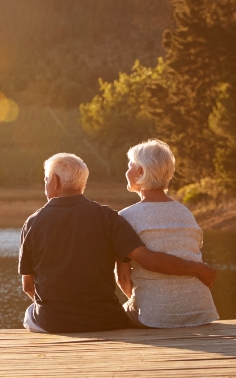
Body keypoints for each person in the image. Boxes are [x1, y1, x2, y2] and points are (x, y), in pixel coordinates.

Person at [20, 153, 216, 334]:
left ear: (55, 182)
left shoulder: (32, 222)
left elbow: (28, 286)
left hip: (53, 322)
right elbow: (145, 259)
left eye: (46, 180)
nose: (46, 184)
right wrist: (196, 268)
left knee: (30, 313)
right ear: (82, 183)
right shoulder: (108, 217)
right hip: (105, 320)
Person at [117, 140, 219, 328]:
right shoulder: (185, 212)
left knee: (117, 314)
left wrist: (144, 303)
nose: (127, 172)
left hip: (155, 317)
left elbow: (123, 278)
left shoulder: (125, 217)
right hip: (200, 312)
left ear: (140, 172)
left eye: (130, 166)